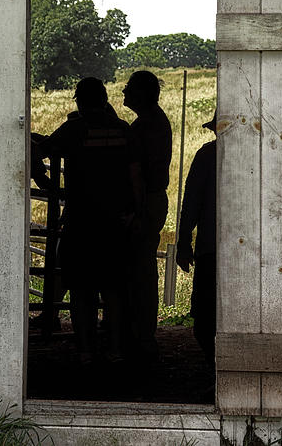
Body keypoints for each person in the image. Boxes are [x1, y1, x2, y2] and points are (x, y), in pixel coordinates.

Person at [44, 77, 142, 365]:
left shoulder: (73, 130)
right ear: (105, 99)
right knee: (113, 289)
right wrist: (137, 213)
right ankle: (115, 349)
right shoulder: (124, 130)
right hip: (115, 223)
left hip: (81, 223)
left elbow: (45, 149)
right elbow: (136, 175)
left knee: (81, 290)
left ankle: (85, 349)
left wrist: (45, 182)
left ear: (80, 101)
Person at [123, 70, 172, 361]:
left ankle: (141, 335)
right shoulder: (156, 121)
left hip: (146, 203)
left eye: (129, 88)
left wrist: (137, 212)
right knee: (142, 268)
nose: (124, 93)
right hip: (154, 201)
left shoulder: (143, 127)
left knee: (139, 270)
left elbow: (137, 174)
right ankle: (143, 333)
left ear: (140, 93)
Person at [176, 113, 216, 368]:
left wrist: (183, 242)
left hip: (210, 249)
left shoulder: (206, 156)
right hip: (250, 255)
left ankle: (212, 363)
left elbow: (191, 203)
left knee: (205, 315)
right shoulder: (260, 155)